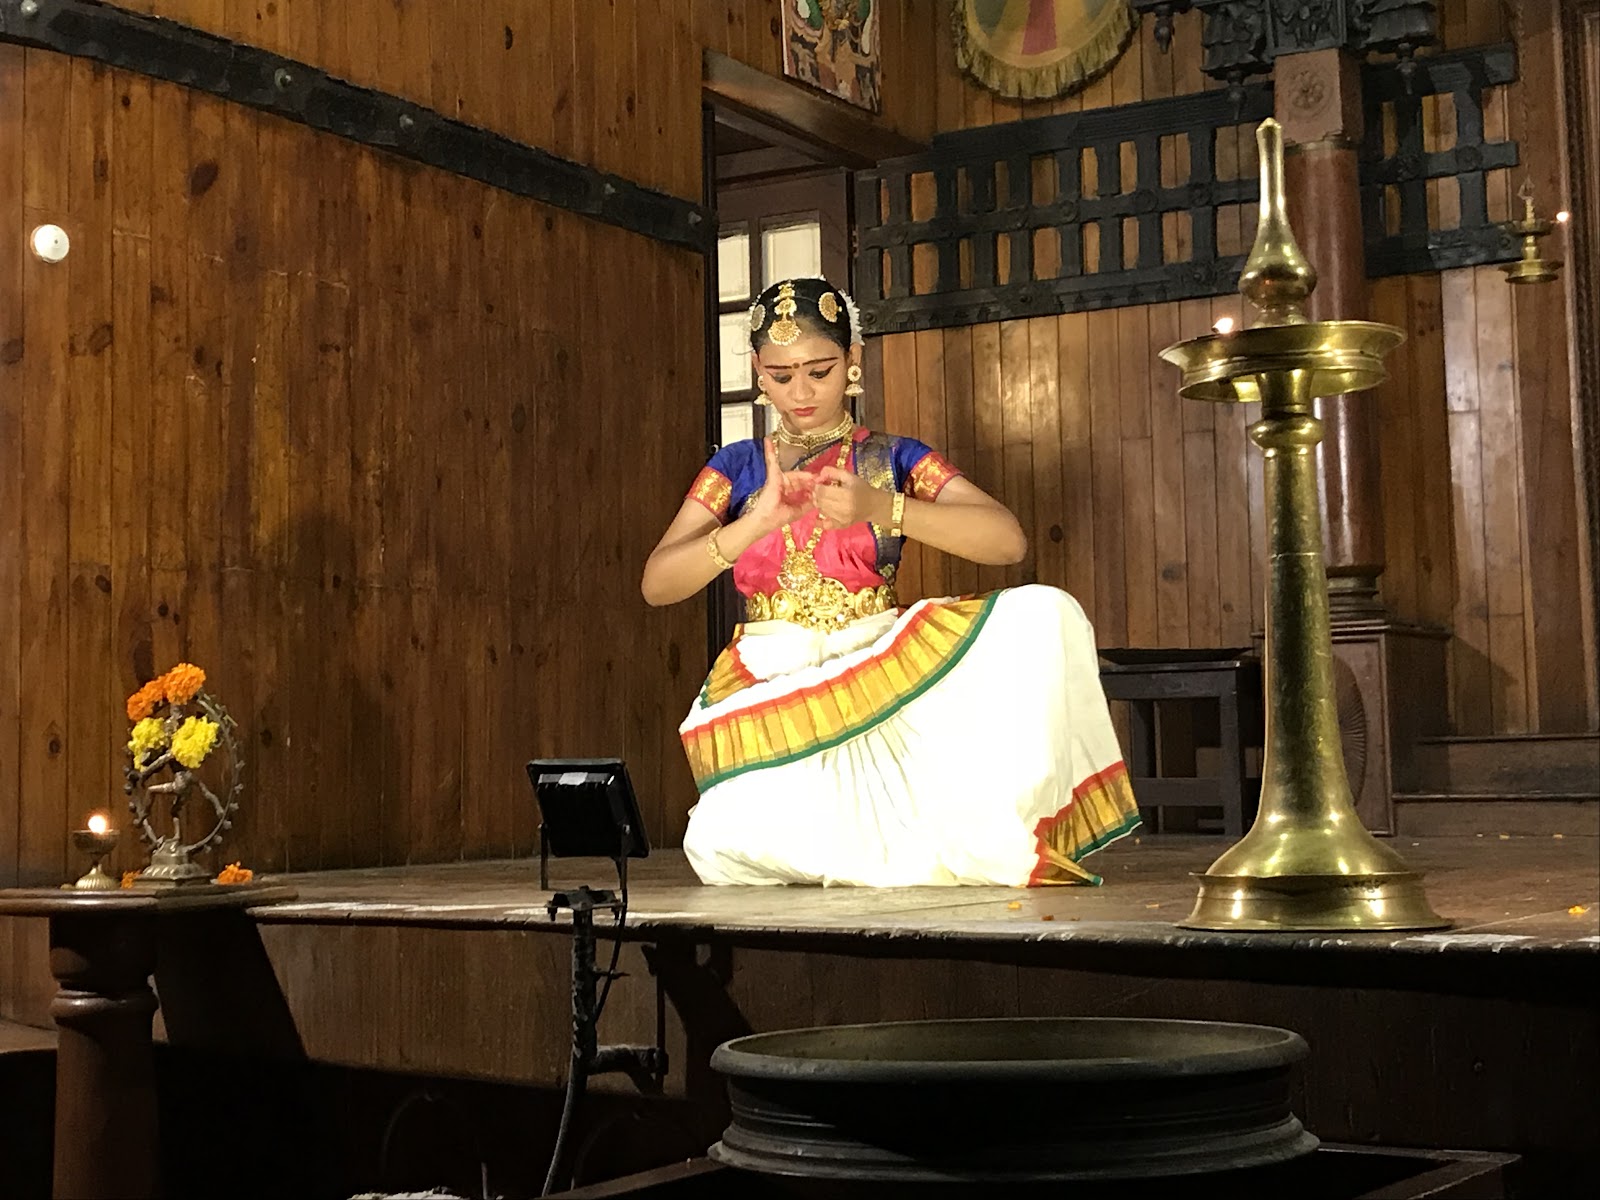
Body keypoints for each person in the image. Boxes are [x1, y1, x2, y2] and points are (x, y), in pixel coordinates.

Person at [642, 277, 1138, 886]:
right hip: (770, 678)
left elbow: (1006, 541)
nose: (801, 392)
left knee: (1044, 613)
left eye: (819, 371)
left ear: (853, 358)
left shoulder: (892, 458)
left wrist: (882, 506)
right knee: (732, 842)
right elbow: (658, 584)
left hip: (878, 666)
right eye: (780, 375)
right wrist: (756, 524)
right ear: (757, 371)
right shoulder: (737, 467)